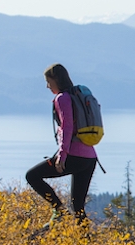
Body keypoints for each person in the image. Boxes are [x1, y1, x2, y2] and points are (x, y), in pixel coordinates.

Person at [26, 63, 98, 225]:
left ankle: (59, 211)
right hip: (90, 158)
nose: (47, 86)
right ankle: (85, 242)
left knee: (32, 176)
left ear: (56, 79)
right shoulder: (76, 96)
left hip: (73, 155)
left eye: (48, 81)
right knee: (78, 206)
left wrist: (62, 155)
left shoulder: (62, 98)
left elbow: (67, 127)